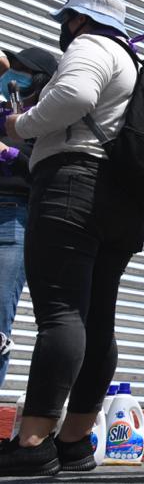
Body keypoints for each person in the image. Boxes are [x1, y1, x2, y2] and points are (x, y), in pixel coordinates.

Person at [0, 0, 144, 477]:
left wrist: (20, 126)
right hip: (123, 199)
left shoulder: (89, 45)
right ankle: (75, 442)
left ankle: (34, 441)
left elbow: (74, 95)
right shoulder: (132, 62)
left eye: (65, 21)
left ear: (76, 20)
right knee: (98, 316)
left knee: (61, 313)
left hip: (72, 184)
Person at [0, 48, 59, 388]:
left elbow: (47, 172)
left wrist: (9, 153)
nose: (13, 78)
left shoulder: (51, 122)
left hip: (13, 217)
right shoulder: (3, 108)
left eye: (23, 72)